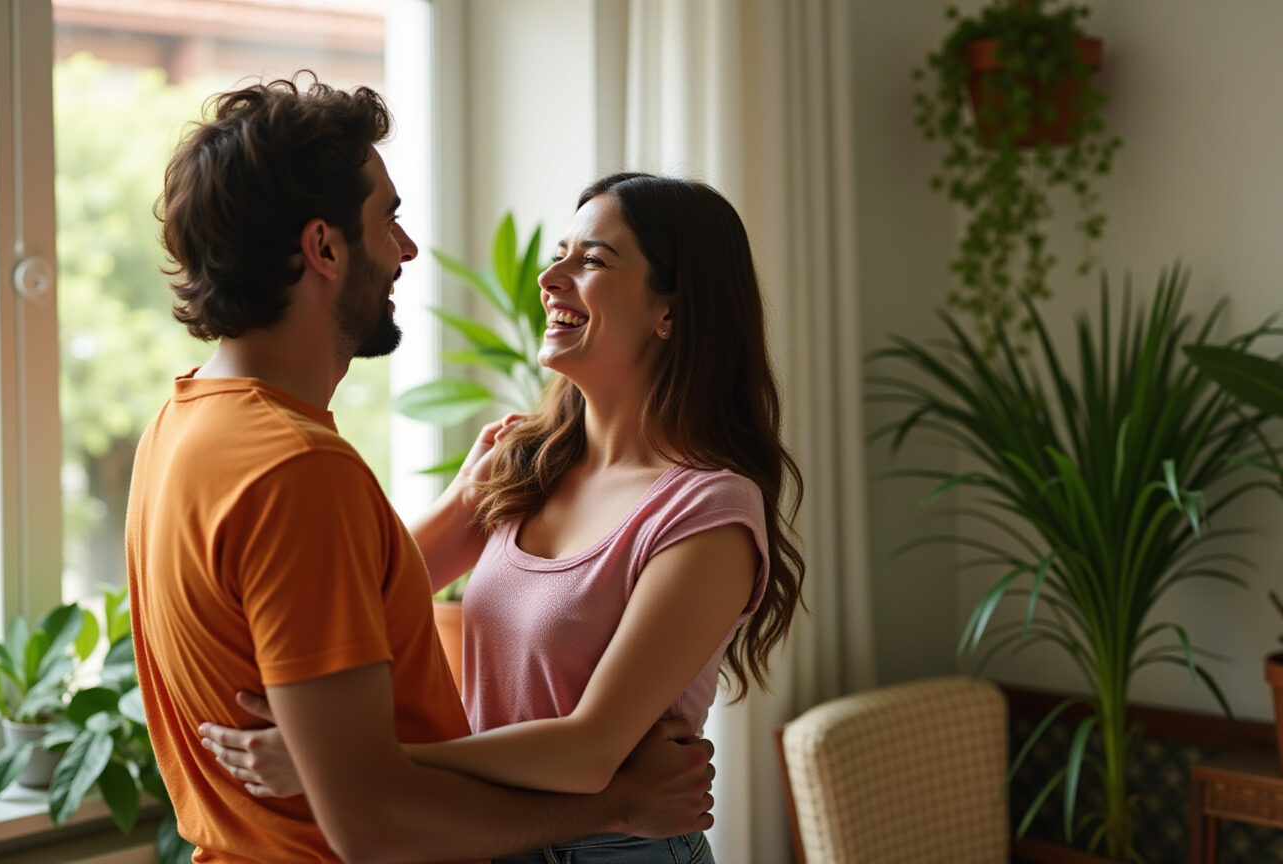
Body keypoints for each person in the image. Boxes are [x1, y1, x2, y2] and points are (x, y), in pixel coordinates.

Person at [126, 74, 716, 864]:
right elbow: (372, 819)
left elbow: (336, 593)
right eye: (389, 220)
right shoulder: (299, 472)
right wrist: (618, 804)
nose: (405, 249)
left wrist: (463, 507)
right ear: (325, 247)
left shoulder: (182, 425)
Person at [198, 171, 806, 864]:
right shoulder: (526, 463)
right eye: (560, 253)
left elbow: (589, 751)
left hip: (613, 852)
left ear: (672, 310)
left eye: (593, 260)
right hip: (490, 837)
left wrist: (354, 769)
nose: (551, 277)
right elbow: (373, 595)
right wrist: (462, 500)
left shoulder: (709, 512)